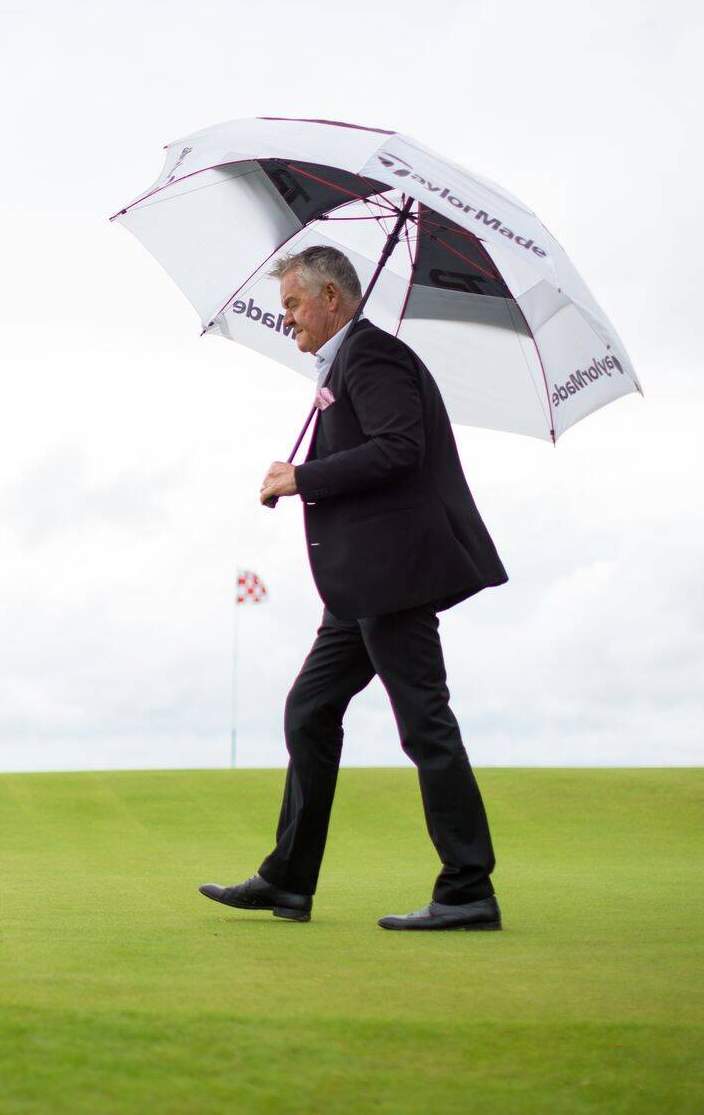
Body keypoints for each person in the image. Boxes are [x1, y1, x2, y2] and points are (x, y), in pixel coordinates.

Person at [198, 244, 508, 931]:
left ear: (331, 298)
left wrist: (302, 477)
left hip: (391, 576)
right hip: (359, 586)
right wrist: (304, 470)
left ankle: (467, 888)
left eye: (293, 305)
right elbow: (371, 450)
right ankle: (288, 881)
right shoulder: (343, 365)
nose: (287, 319)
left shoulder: (373, 356)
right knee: (309, 711)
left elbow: (400, 448)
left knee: (425, 724)